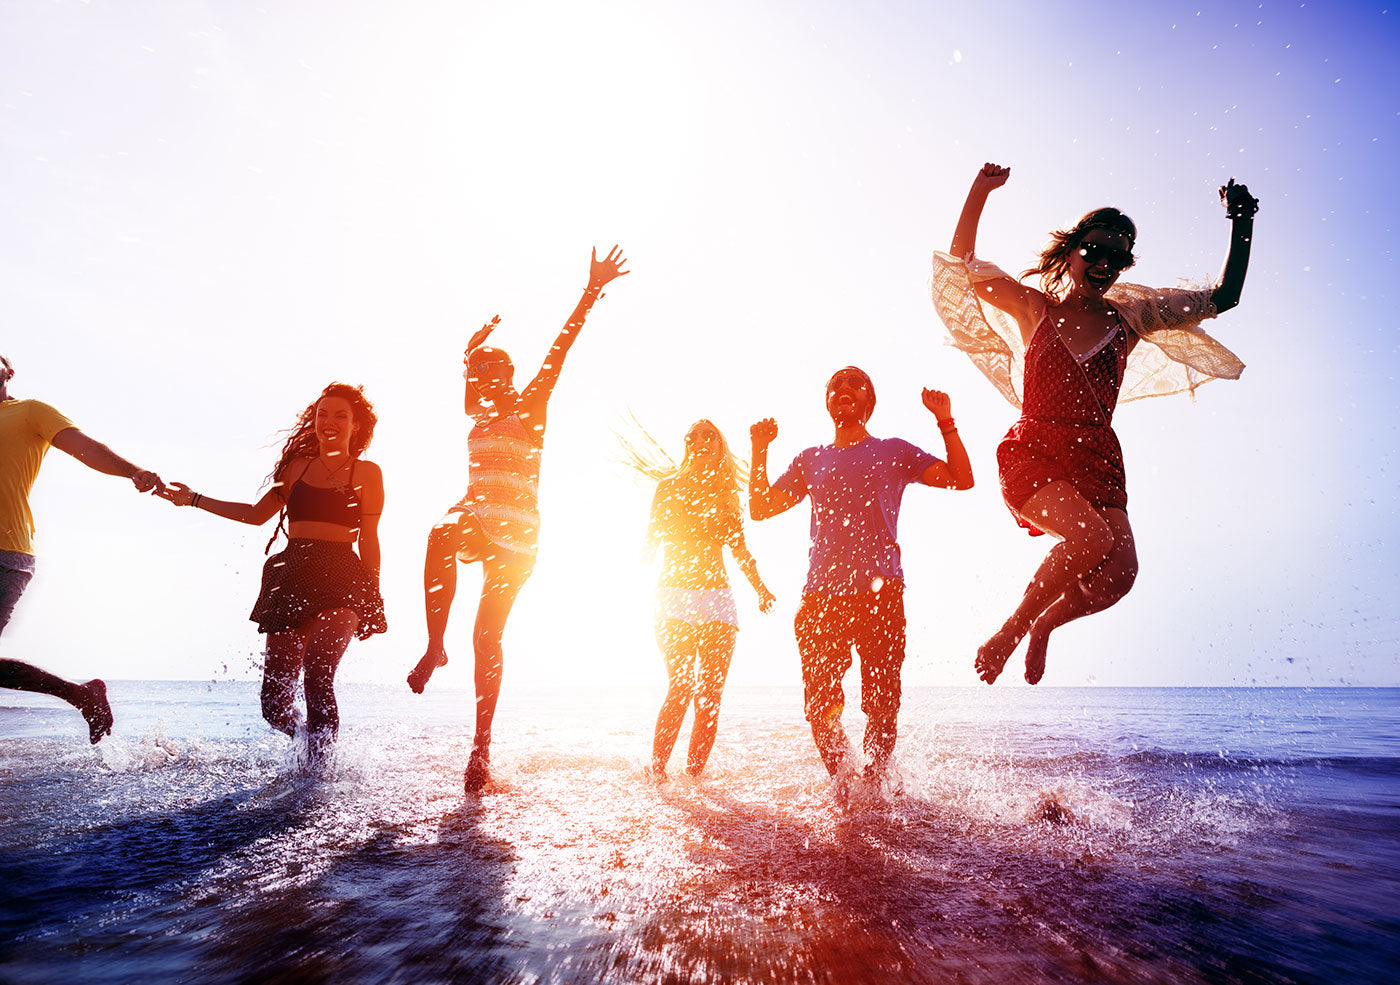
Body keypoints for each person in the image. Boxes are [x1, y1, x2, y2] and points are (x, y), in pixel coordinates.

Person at [931, 162, 1257, 686]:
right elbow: (963, 263)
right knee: (1088, 540)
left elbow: (1224, 297)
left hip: (1097, 456)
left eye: (1117, 257)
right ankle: (1012, 630)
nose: (1105, 263)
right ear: (1071, 252)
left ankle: (1045, 625)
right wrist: (979, 190)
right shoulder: (1033, 309)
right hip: (1035, 448)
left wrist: (1242, 221)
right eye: (1095, 250)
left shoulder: (1131, 319)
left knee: (1119, 574)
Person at [408, 245, 629, 793]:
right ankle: (435, 646)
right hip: (477, 517)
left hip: (518, 536)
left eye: (493, 370)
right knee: (439, 533)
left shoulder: (530, 405)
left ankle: (481, 747)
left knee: (487, 636)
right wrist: (468, 353)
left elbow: (560, 349)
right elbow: (469, 385)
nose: (483, 379)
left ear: (510, 375)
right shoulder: (478, 412)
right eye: (477, 374)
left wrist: (590, 291)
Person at [748, 369, 973, 783]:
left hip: (881, 596)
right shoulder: (810, 459)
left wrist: (945, 421)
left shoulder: (893, 451)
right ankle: (846, 787)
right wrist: (759, 450)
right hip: (822, 598)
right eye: (835, 385)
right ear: (828, 402)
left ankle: (873, 788)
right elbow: (761, 507)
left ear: (869, 401)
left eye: (855, 383)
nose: (844, 389)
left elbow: (961, 479)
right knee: (820, 708)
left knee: (883, 706)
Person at [162, 383, 385, 761]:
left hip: (343, 575)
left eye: (340, 415)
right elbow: (255, 515)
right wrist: (194, 499)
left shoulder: (367, 472)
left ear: (356, 425)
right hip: (291, 573)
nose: (329, 422)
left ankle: (320, 771)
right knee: (274, 704)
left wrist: (372, 591)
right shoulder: (296, 468)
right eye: (322, 414)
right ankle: (306, 742)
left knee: (318, 674)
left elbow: (370, 538)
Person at [0, 352, 163, 743]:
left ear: (9, 371)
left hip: (6, 551)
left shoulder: (30, 411)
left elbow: (85, 448)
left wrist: (134, 471)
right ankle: (80, 694)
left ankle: (80, 694)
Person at [636, 419, 775, 779]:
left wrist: (760, 588)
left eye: (708, 435)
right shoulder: (668, 488)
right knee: (681, 686)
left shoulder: (726, 495)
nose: (700, 440)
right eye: (693, 436)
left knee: (710, 696)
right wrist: (640, 557)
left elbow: (740, 550)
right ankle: (657, 775)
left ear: (718, 445)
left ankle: (694, 781)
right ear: (687, 445)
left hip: (717, 600)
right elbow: (649, 542)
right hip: (673, 598)